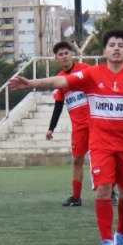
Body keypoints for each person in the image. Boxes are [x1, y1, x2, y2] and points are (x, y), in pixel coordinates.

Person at [9, 29, 123, 245]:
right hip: (100, 144)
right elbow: (61, 80)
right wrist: (31, 83)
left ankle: (121, 233)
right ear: (104, 51)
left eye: (121, 44)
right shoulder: (92, 74)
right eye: (112, 45)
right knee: (103, 190)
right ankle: (107, 241)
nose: (116, 48)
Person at [42, 40, 93, 206]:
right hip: (78, 127)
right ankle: (76, 198)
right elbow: (58, 104)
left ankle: (111, 192)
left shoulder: (85, 69)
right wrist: (51, 128)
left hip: (96, 123)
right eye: (60, 54)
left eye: (66, 53)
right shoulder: (60, 79)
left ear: (71, 54)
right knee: (77, 160)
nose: (64, 56)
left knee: (102, 159)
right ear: (56, 58)